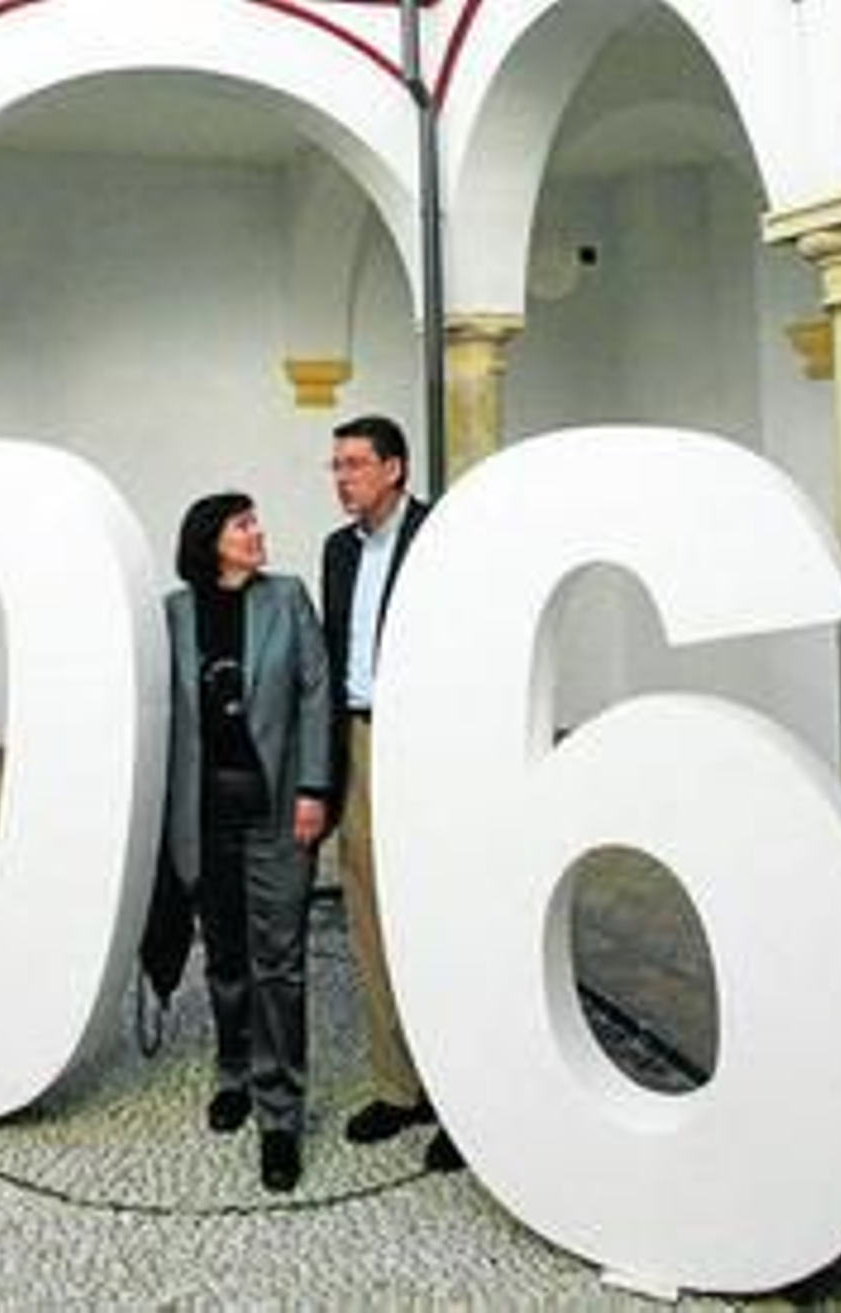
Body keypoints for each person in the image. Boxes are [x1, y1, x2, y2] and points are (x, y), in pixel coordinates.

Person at [163, 492, 331, 1193]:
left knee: (280, 963)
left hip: (276, 810)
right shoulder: (172, 612)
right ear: (210, 540)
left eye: (257, 521)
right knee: (226, 955)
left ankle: (280, 1114)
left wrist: (314, 789)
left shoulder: (288, 597)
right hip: (204, 816)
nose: (258, 532)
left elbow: (315, 694)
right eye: (243, 524)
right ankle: (232, 1069)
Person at [321, 414, 464, 1173]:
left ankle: (464, 1099)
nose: (341, 477)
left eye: (353, 463)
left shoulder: (443, 537)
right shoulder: (338, 550)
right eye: (335, 465)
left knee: (441, 914)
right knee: (370, 908)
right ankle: (396, 1085)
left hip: (428, 746)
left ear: (396, 469)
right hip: (358, 737)